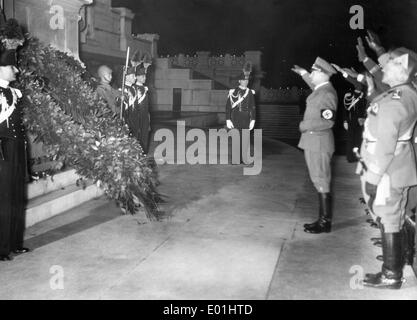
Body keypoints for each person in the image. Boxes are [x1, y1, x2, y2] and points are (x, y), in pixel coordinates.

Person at [358, 47, 417, 289]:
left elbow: (384, 144)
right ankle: (399, 264)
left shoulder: (396, 100)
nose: (383, 67)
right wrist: (380, 54)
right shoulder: (405, 94)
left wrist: (372, 177)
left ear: (401, 69)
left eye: (389, 64)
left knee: (389, 218)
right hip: (399, 166)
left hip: (387, 170)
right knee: (397, 215)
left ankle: (391, 275)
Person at [291, 57, 338, 234]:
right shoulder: (321, 90)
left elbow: (328, 122)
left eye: (314, 72)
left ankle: (325, 222)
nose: (312, 74)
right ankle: (322, 219)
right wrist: (303, 73)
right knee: (318, 180)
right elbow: (313, 86)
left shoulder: (327, 93)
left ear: (323, 74)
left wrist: (304, 126)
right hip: (314, 142)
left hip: (319, 142)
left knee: (321, 180)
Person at [0, 17, 29, 261]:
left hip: (16, 149)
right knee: (4, 198)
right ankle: (1, 247)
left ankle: (14, 243)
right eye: (12, 67)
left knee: (17, 195)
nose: (16, 70)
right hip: (2, 152)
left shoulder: (14, 92)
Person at [225, 62, 256, 164]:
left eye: (246, 80)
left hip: (246, 118)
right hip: (236, 117)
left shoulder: (250, 92)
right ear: (239, 81)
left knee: (245, 140)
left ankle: (244, 158)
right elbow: (228, 106)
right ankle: (236, 159)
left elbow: (253, 107)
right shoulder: (233, 92)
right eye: (243, 80)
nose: (245, 82)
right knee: (236, 139)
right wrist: (228, 119)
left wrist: (253, 120)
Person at [133, 67, 151, 154]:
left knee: (145, 136)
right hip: (137, 116)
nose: (145, 78)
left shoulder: (145, 88)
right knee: (138, 136)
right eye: (142, 76)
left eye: (145, 76)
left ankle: (144, 153)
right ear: (136, 77)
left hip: (145, 116)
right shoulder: (134, 89)